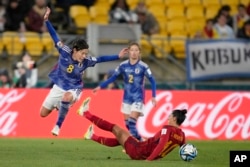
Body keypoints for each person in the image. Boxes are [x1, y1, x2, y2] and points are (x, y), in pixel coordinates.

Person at [40, 7, 128, 136]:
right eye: (82, 53)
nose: (84, 56)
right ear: (75, 50)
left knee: (67, 97)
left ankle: (58, 126)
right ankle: (61, 105)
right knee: (42, 114)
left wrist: (117, 56)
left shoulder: (86, 61)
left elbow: (100, 59)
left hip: (75, 88)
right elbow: (55, 36)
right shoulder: (64, 51)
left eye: (86, 53)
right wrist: (47, 21)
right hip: (59, 86)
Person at [78, 97, 186, 161]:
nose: (168, 117)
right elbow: (184, 149)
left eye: (170, 116)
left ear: (174, 118)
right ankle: (91, 135)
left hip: (139, 150)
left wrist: (149, 160)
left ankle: (85, 113)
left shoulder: (167, 129)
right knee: (120, 139)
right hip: (142, 151)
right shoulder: (182, 135)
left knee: (115, 128)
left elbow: (161, 145)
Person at [93, 42, 157, 141]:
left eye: (136, 50)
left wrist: (154, 96)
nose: (134, 52)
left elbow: (152, 80)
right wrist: (100, 86)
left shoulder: (143, 66)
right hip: (126, 99)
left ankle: (142, 142)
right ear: (128, 52)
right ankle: (139, 142)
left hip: (138, 98)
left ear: (139, 52)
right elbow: (113, 77)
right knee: (128, 125)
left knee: (131, 122)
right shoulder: (123, 65)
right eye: (132, 50)